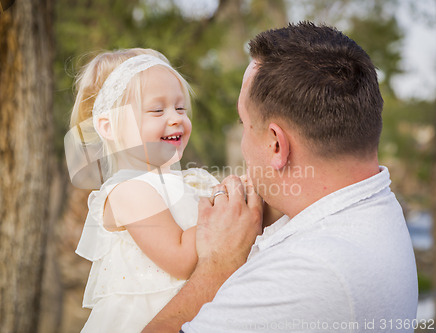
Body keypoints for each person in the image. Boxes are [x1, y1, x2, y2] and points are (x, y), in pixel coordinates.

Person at [144, 22, 418, 332]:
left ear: (276, 144)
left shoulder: (305, 274)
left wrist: (219, 264)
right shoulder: (372, 203)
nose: (245, 143)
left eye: (244, 123)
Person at [66, 48, 220, 332]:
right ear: (109, 126)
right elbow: (182, 260)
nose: (175, 118)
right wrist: (225, 208)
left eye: (180, 108)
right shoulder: (129, 191)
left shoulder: (194, 181)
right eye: (157, 110)